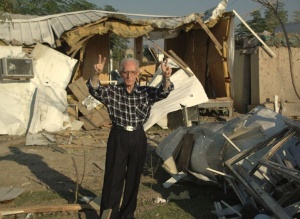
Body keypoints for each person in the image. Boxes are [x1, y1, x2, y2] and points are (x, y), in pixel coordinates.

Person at [86, 55, 174, 219]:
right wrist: (96, 74)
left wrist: (166, 77)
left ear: (138, 74)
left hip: (138, 136)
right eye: (126, 72)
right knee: (114, 177)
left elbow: (164, 91)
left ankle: (127, 214)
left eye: (132, 72)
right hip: (118, 136)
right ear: (120, 73)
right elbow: (94, 89)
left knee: (133, 178)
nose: (129, 76)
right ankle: (109, 214)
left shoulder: (145, 92)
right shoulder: (112, 91)